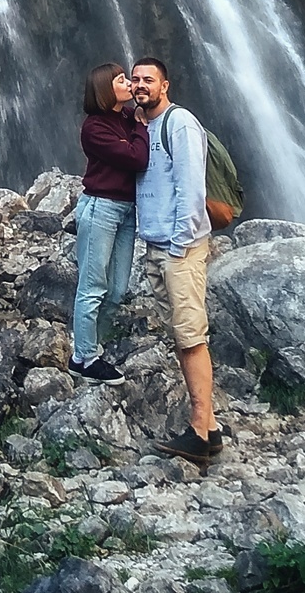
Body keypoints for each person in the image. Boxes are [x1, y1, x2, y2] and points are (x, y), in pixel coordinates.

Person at [131, 56, 221, 462]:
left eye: (148, 79)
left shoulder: (179, 123)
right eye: (135, 80)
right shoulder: (141, 127)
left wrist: (180, 244)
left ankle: (199, 433)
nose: (140, 85)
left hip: (178, 247)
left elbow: (191, 187)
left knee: (190, 336)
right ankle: (212, 428)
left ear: (164, 85)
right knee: (182, 336)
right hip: (157, 244)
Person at [70, 63, 150, 380]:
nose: (129, 82)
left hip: (126, 210)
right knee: (92, 286)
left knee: (117, 290)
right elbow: (136, 158)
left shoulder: (128, 117)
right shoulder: (94, 128)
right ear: (106, 89)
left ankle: (96, 347)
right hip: (100, 208)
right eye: (121, 80)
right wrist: (142, 128)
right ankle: (83, 358)